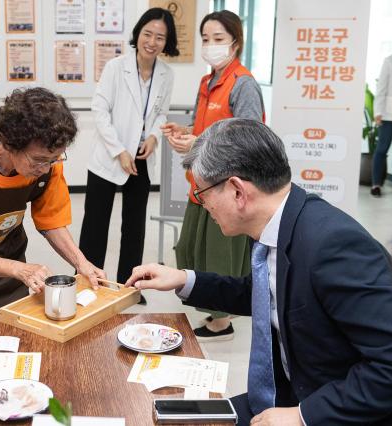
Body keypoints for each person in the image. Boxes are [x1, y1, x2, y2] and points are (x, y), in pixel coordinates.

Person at [127, 118, 392, 425]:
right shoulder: (279, 226)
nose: (203, 205)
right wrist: (184, 279)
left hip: (328, 409)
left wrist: (303, 416)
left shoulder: (332, 245)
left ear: (238, 191)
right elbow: (263, 293)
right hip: (283, 399)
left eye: (202, 194)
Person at [0, 87, 104, 320]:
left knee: (15, 327)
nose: (45, 168)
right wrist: (21, 270)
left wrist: (82, 263)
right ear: (10, 144)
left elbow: (51, 223)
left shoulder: (49, 165)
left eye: (54, 159)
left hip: (9, 254)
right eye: (39, 160)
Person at [161, 10, 264, 339]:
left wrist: (200, 141)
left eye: (218, 39)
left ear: (236, 43)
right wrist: (186, 133)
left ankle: (222, 320)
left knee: (219, 253)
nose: (211, 45)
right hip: (202, 183)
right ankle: (212, 307)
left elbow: (250, 138)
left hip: (228, 187)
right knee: (191, 249)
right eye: (206, 39)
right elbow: (206, 128)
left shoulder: (243, 84)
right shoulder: (208, 82)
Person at [79, 8, 178, 292]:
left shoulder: (166, 75)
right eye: (148, 34)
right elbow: (99, 110)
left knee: (134, 228)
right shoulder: (116, 67)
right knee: (95, 226)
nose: (152, 41)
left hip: (142, 159)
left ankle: (129, 286)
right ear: (138, 34)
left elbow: (161, 113)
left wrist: (154, 137)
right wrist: (119, 150)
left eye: (160, 37)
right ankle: (88, 284)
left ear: (166, 42)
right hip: (109, 158)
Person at [371, 53, 392, 197]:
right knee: (382, 149)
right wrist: (378, 112)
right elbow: (381, 88)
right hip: (388, 115)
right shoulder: (389, 60)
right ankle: (376, 184)